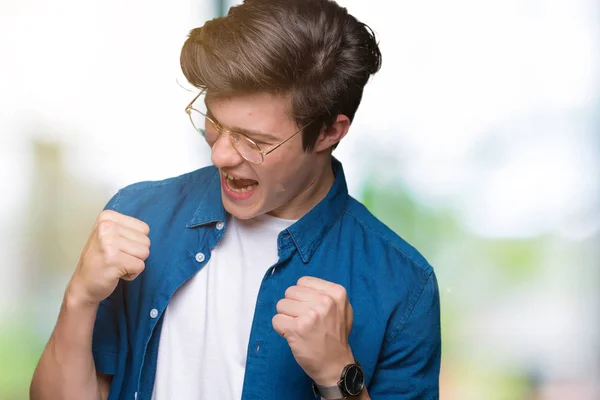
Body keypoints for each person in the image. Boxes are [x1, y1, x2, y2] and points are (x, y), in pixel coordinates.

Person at [30, 0, 441, 399]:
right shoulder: (137, 215)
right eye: (214, 121)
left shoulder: (403, 284)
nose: (221, 154)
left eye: (254, 140)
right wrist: (79, 298)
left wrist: (339, 375)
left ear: (331, 132)